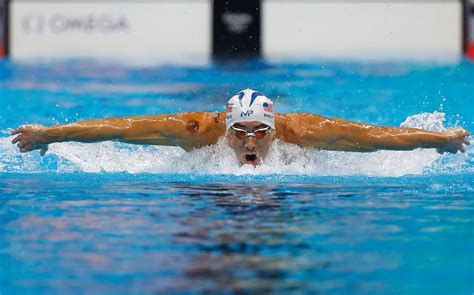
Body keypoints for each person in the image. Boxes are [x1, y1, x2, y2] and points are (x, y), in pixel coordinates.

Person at [11, 88, 470, 166]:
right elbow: (117, 128)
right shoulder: (195, 129)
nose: (250, 143)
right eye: (240, 133)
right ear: (225, 128)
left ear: (275, 129)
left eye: (259, 133)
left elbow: (375, 138)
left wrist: (440, 141)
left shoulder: (302, 132)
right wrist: (48, 134)